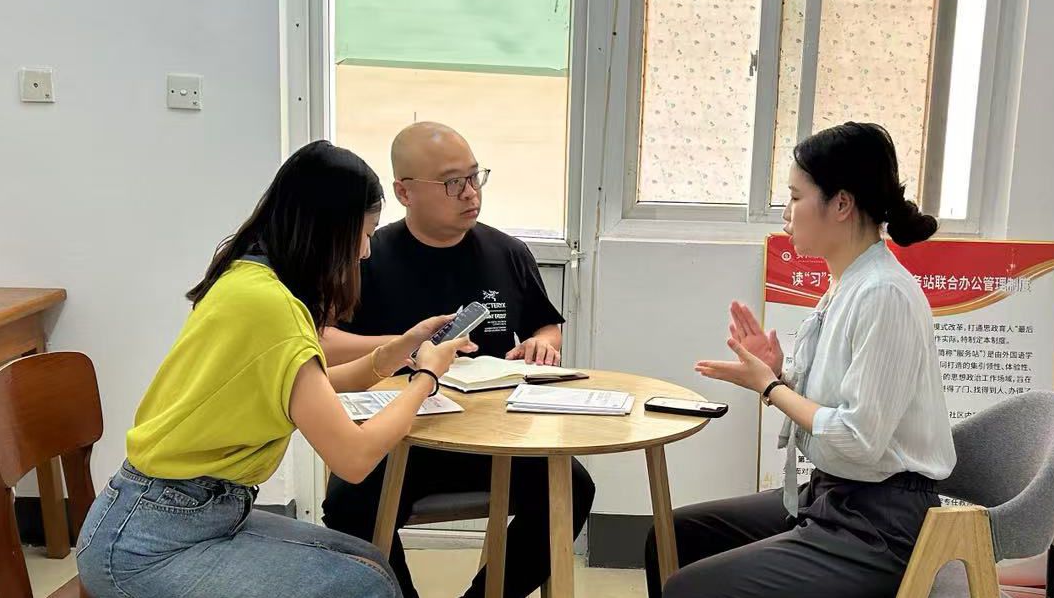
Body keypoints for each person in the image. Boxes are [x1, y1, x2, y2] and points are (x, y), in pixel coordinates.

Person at [76, 141, 475, 598]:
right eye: (364, 233)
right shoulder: (271, 307)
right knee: (366, 584)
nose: (365, 251)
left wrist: (399, 348)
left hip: (177, 514)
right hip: (148, 542)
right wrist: (426, 378)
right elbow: (355, 458)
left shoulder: (248, 278)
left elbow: (310, 390)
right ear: (329, 230)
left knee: (370, 562)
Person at [645, 122, 957, 598]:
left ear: (841, 204)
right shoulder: (848, 284)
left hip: (880, 527)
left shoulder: (884, 294)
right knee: (671, 537)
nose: (786, 214)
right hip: (835, 495)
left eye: (795, 197)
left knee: (691, 588)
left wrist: (772, 388)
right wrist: (778, 375)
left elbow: (858, 439)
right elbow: (840, 411)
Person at [321, 122, 596, 598]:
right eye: (452, 183)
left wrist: (542, 344)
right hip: (399, 436)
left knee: (572, 487)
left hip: (493, 437)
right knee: (348, 503)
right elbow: (322, 341)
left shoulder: (507, 252)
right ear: (404, 192)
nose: (471, 193)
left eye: (474, 177)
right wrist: (404, 346)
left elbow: (546, 325)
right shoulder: (366, 256)